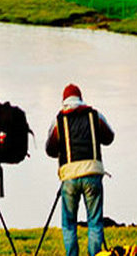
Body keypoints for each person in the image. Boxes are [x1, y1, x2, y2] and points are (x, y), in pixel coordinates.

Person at [44, 84, 115, 256]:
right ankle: (95, 255)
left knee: (69, 223)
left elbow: (50, 149)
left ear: (64, 101)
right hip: (92, 172)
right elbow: (109, 137)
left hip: (69, 175)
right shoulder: (94, 115)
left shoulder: (59, 120)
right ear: (81, 98)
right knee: (95, 221)